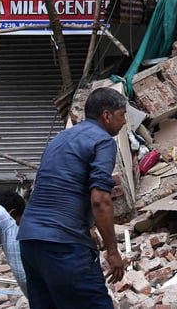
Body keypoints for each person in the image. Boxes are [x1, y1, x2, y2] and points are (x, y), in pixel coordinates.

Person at [18, 87, 128, 309]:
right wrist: (113, 252)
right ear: (107, 116)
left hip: (30, 242)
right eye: (122, 114)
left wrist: (88, 228)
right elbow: (100, 200)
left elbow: (56, 186)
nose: (125, 122)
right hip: (64, 246)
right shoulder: (103, 140)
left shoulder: (61, 138)